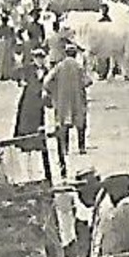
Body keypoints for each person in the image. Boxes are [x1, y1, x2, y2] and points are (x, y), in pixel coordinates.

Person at [45, 43, 91, 174]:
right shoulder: (79, 67)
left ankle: (65, 148)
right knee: (80, 123)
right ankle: (81, 147)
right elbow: (88, 81)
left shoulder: (59, 67)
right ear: (75, 54)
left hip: (62, 101)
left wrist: (54, 93)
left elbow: (47, 82)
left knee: (63, 124)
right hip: (77, 99)